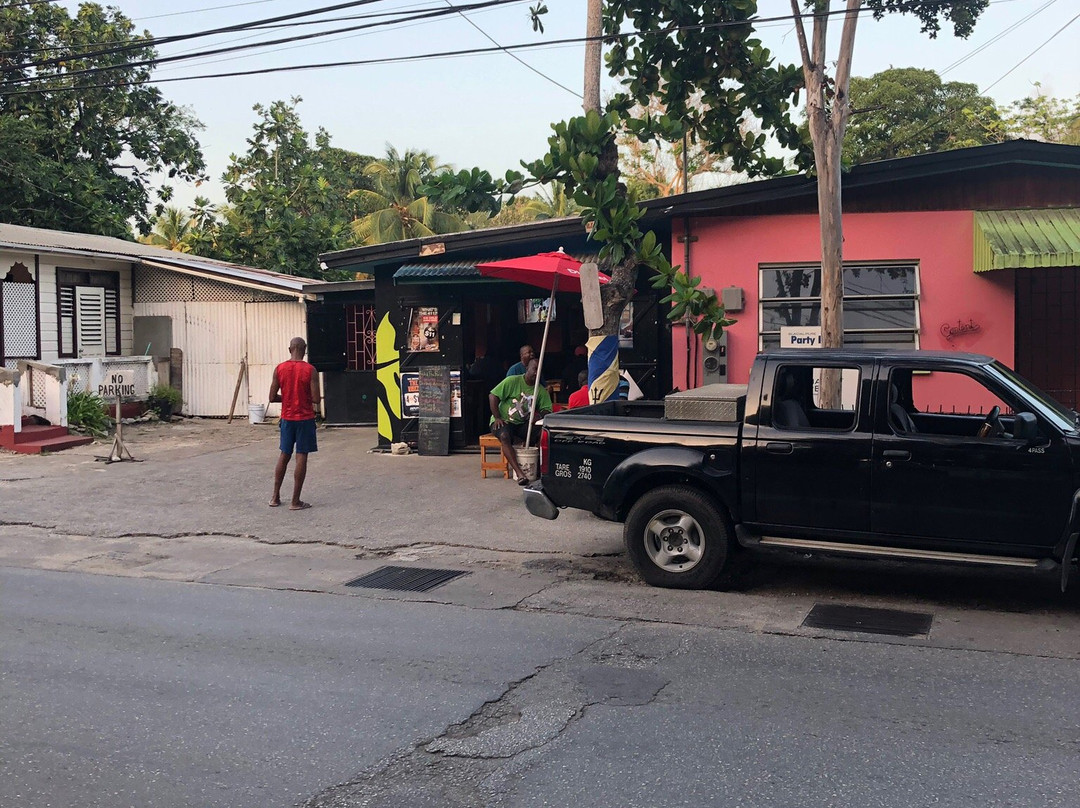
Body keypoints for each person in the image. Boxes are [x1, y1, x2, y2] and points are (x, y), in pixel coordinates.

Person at [268, 336, 320, 510]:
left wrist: (288, 398)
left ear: (290, 349)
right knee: (301, 456)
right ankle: (295, 501)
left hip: (287, 419)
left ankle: (275, 497)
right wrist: (300, 397)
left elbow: (271, 397)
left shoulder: (279, 369)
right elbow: (315, 399)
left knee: (284, 454)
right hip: (304, 419)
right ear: (304, 349)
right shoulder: (310, 370)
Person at [489, 358, 551, 484]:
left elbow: (547, 410)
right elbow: (493, 396)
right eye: (534, 369)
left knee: (543, 433)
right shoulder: (512, 381)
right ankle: (519, 473)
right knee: (504, 436)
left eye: (539, 370)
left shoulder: (540, 390)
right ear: (527, 369)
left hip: (523, 424)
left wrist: (539, 416)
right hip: (504, 421)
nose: (536, 373)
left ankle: (538, 468)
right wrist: (497, 417)